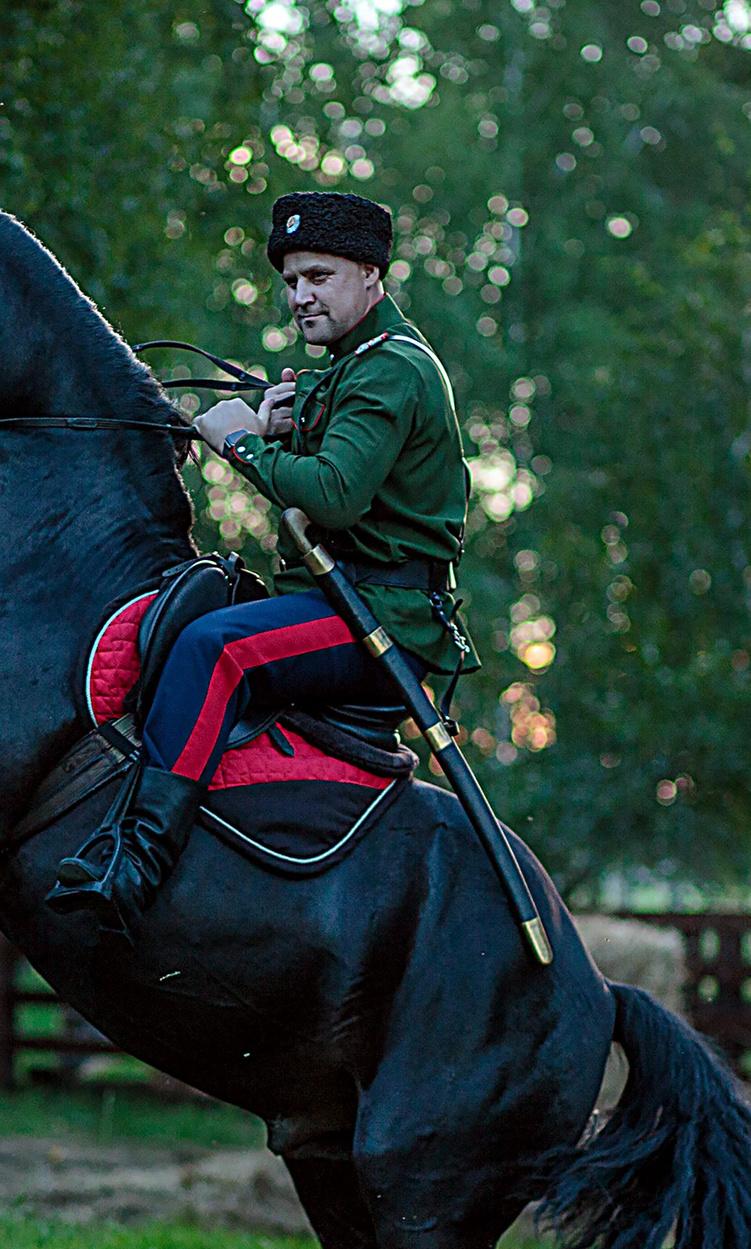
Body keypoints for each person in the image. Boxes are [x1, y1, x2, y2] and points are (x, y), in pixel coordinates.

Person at [46, 189, 474, 933]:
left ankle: (136, 861)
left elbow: (336, 495)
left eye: (319, 277)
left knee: (215, 648)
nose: (299, 296)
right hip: (344, 604)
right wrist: (282, 419)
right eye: (290, 281)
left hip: (382, 621)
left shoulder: (392, 369)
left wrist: (242, 443)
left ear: (372, 276)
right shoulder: (352, 365)